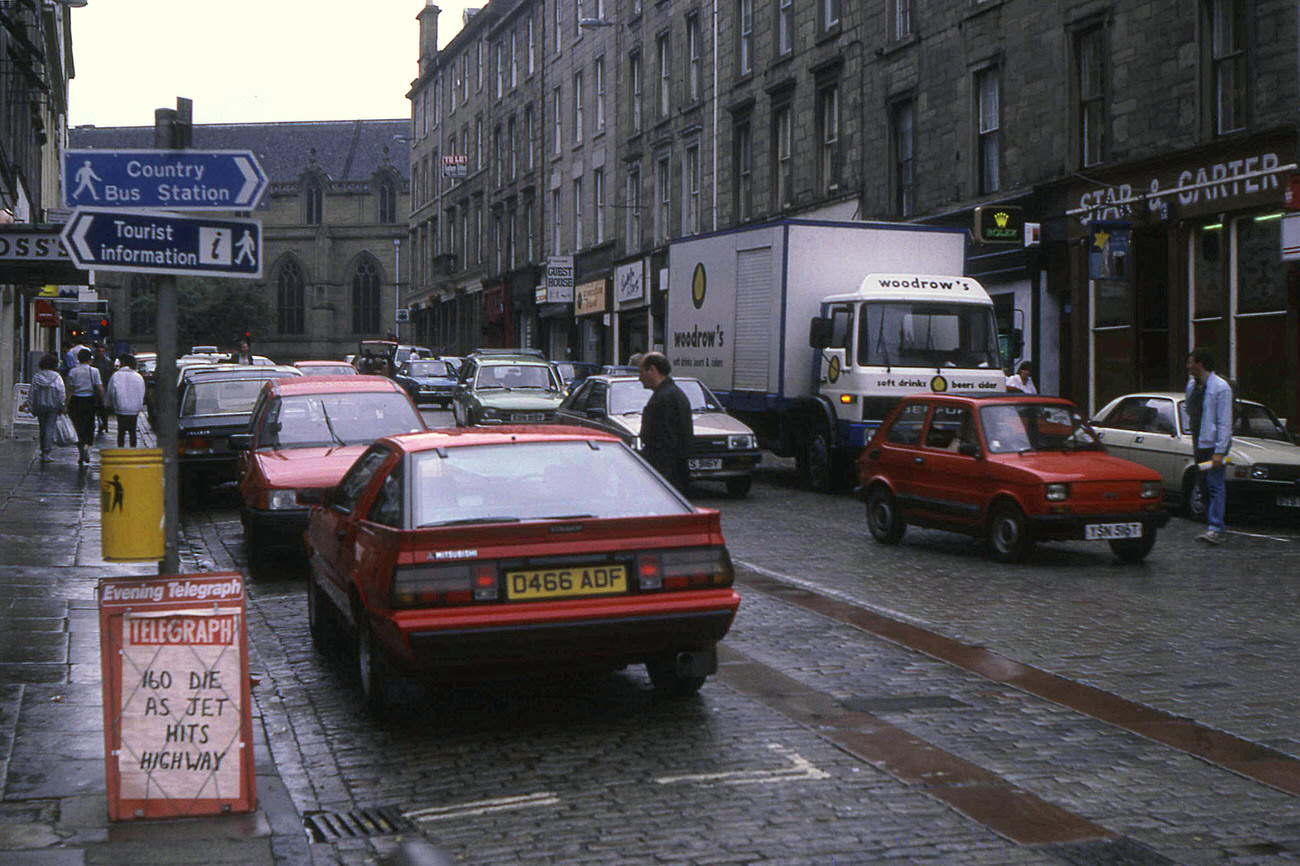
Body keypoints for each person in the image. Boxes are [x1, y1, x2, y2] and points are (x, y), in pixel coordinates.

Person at [1185, 348, 1233, 545]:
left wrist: (1220, 451)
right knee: (1203, 484)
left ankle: (1216, 528)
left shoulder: (1221, 388)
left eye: (1190, 362)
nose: (1188, 366)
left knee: (1215, 484)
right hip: (1200, 441)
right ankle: (1212, 524)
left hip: (1214, 444)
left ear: (1200, 364)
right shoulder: (1192, 385)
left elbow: (1225, 421)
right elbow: (1190, 408)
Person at [637, 352, 693, 493]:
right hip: (674, 473)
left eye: (641, 371)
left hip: (666, 474)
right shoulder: (673, 394)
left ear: (653, 370)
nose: (639, 378)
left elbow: (664, 441)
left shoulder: (664, 398)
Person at [65, 348, 104, 465]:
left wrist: (66, 403)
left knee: (78, 426)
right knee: (89, 425)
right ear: (89, 359)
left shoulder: (73, 371)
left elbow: (69, 389)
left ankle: (81, 451)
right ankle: (88, 445)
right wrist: (104, 399)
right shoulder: (94, 371)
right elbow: (99, 387)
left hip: (76, 400)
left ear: (78, 359)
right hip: (89, 400)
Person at [24, 354, 66, 463]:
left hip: (40, 406)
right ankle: (47, 451)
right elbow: (61, 392)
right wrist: (62, 404)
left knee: (42, 428)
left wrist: (30, 405)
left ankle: (43, 450)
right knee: (49, 428)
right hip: (53, 406)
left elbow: (32, 392)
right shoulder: (56, 377)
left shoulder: (37, 377)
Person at [106, 354, 147, 448]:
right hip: (134, 408)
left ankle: (121, 450)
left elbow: (111, 391)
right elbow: (142, 391)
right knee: (133, 431)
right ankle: (133, 450)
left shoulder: (116, 376)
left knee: (121, 431)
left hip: (121, 407)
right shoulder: (138, 376)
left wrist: (108, 403)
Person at [92, 343, 116, 434]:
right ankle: (99, 423)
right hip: (95, 388)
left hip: (105, 387)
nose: (101, 353)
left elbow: (110, 375)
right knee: (96, 408)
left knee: (103, 408)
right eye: (99, 351)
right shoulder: (93, 363)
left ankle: (103, 424)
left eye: (102, 351)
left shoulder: (108, 363)